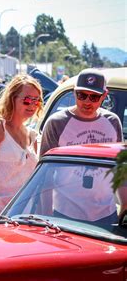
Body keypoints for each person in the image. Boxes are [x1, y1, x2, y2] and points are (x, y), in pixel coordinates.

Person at [40, 69, 125, 224]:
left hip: (106, 213)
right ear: (74, 93)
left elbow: (119, 167)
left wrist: (125, 203)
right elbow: (45, 174)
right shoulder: (57, 123)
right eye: (82, 95)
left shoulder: (112, 121)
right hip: (65, 213)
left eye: (94, 97)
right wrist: (46, 216)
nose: (87, 102)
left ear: (104, 96)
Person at [0, 74, 43, 225]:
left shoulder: (31, 135)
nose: (32, 105)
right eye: (28, 100)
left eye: (37, 101)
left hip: (20, 217)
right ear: (12, 98)